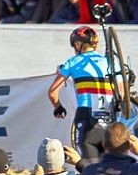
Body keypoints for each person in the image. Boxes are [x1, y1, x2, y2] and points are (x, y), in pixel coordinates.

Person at [46, 25, 117, 164]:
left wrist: (58, 107)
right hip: (110, 118)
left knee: (89, 167)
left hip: (87, 116)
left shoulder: (73, 62)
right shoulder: (110, 62)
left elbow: (53, 92)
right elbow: (121, 92)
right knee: (110, 167)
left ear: (78, 44)